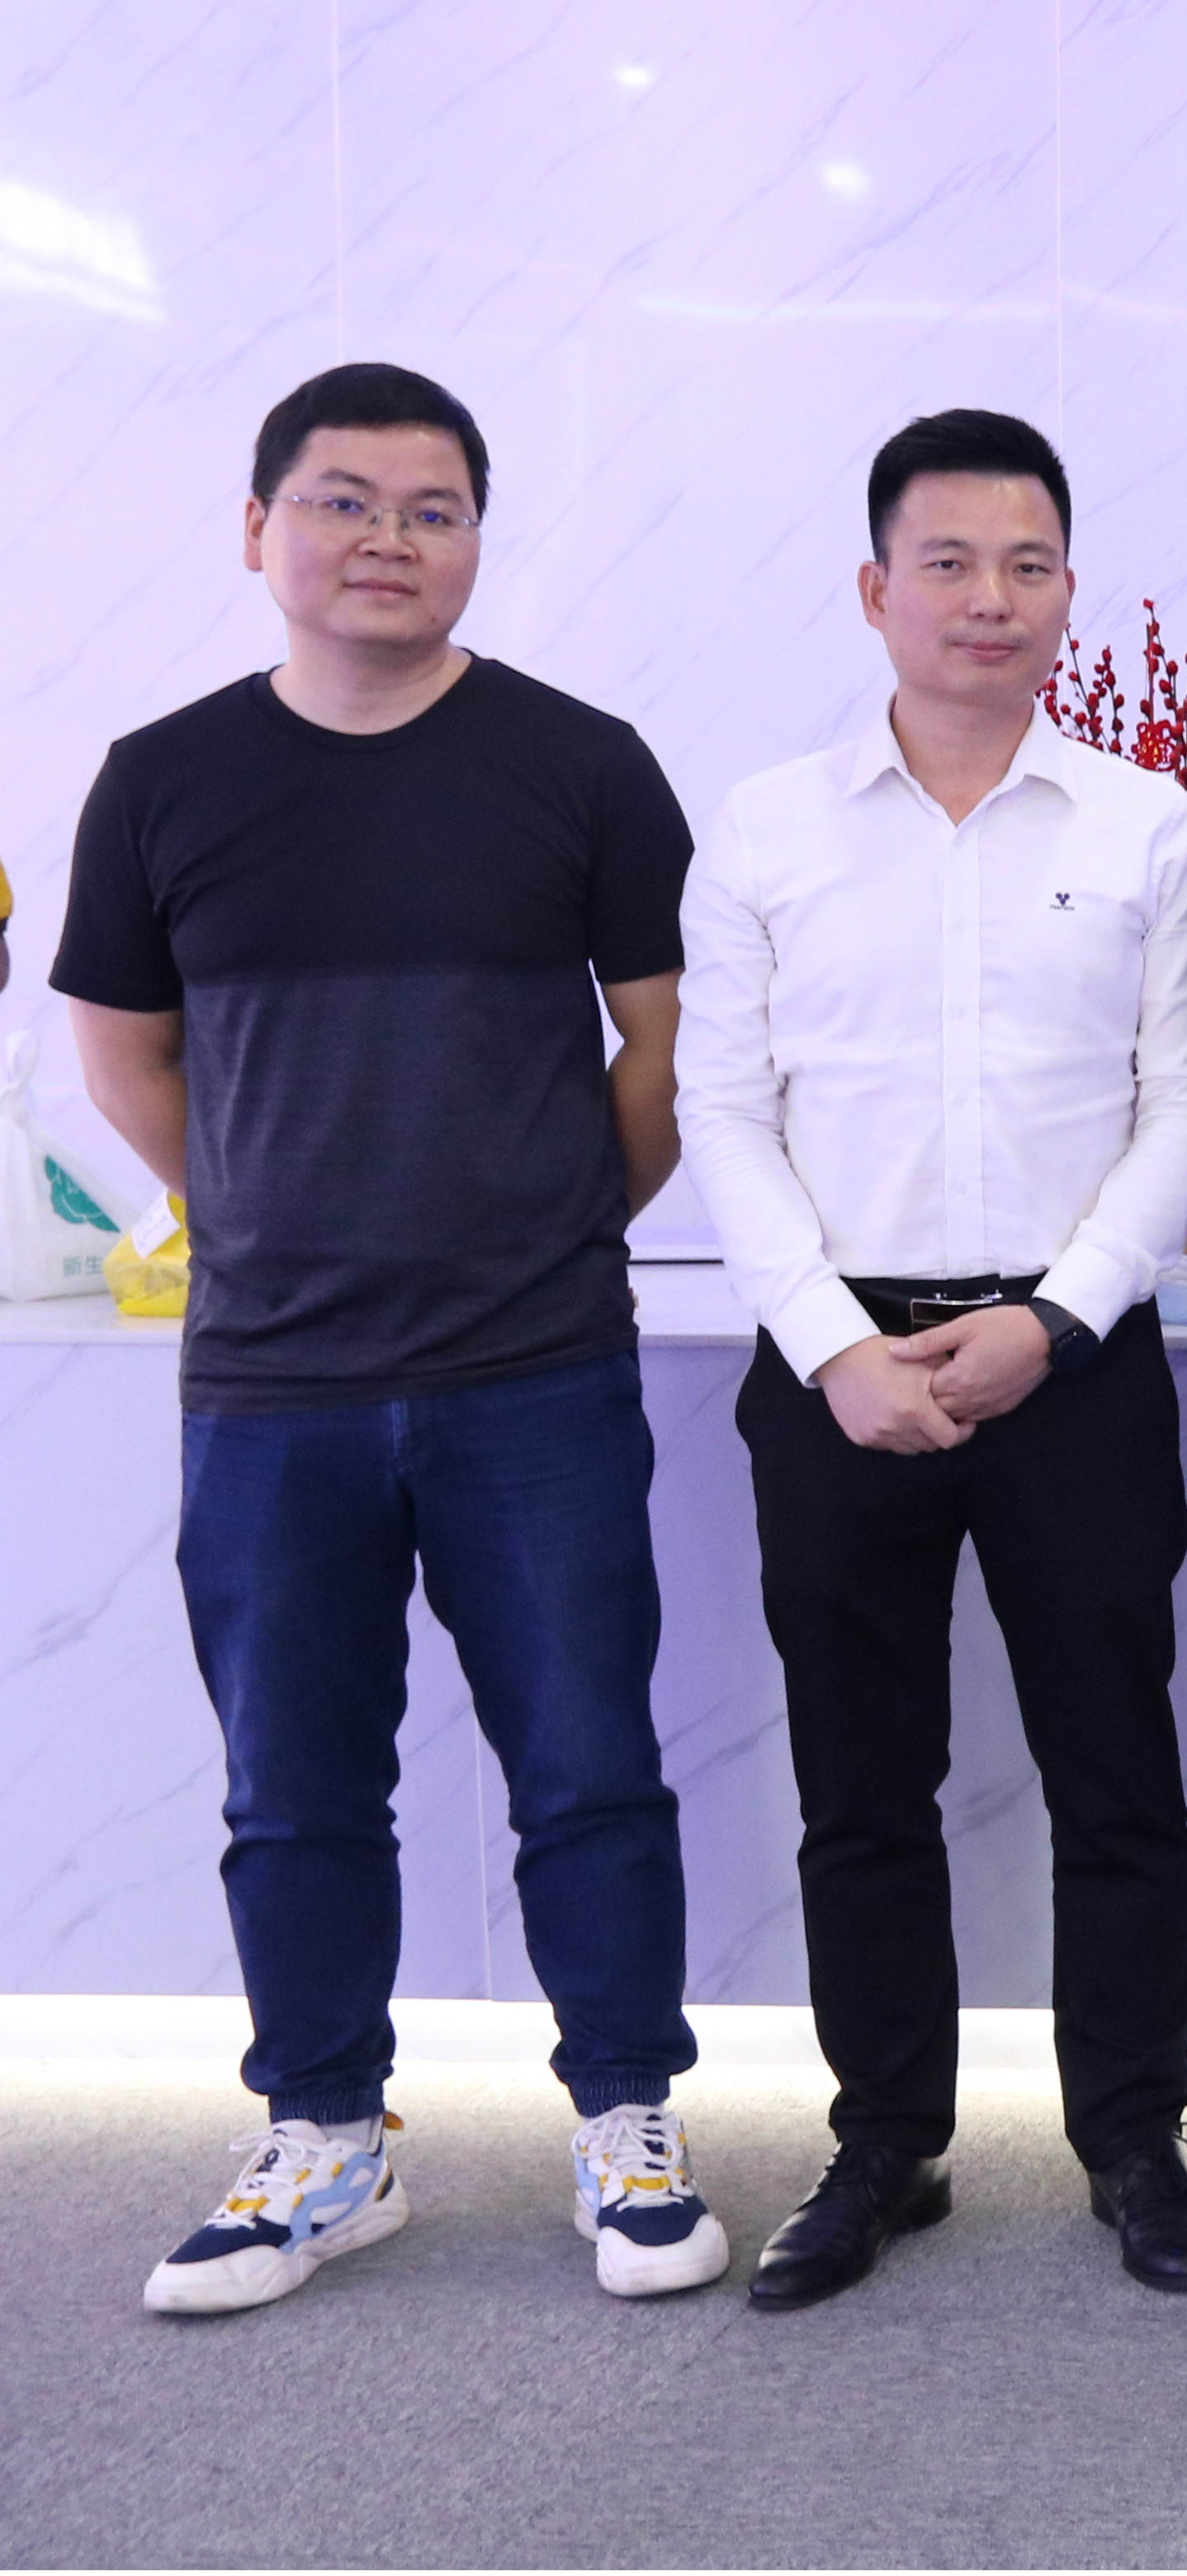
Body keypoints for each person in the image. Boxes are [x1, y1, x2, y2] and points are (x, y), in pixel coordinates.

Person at [60, 361, 727, 2315]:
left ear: (477, 541)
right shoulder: (162, 777)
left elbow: (667, 1043)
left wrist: (550, 1217)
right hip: (274, 1384)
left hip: (538, 1368)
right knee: (292, 1785)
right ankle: (326, 2136)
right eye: (342, 501)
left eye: (433, 509)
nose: (387, 540)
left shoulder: (582, 763)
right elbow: (127, 1055)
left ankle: (629, 2119)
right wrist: (271, 1210)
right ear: (257, 529)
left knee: (589, 1764)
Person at [677, 409, 1187, 2306]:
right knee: (861, 1782)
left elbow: (1184, 1105)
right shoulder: (766, 827)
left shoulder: (1146, 824)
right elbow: (722, 1111)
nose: (989, 599)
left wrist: (1056, 1318)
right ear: (873, 589)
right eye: (948, 563)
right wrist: (837, 1348)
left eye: (1027, 565)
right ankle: (885, 2141)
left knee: (1116, 1770)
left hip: (1071, 1362)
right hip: (837, 1369)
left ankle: (1137, 2135)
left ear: (1069, 589)